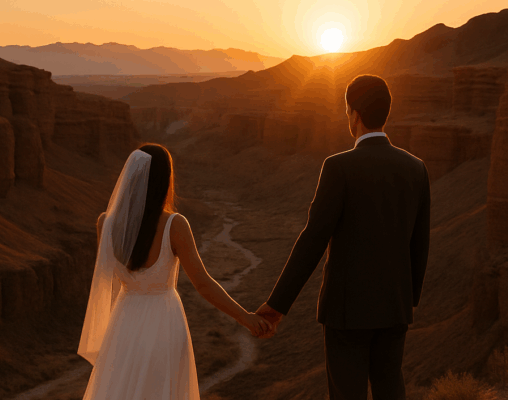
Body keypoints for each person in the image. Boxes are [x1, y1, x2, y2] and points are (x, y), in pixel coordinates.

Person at [255, 74, 431, 400]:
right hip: (395, 307)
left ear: (355, 114)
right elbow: (420, 245)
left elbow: (312, 241)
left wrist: (278, 305)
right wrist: (408, 301)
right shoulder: (416, 167)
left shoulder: (338, 167)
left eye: (347, 110)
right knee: (391, 389)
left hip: (346, 311)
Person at [77, 143, 272, 400]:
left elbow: (105, 283)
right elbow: (202, 283)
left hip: (123, 323)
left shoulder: (106, 223)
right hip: (163, 323)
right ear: (164, 180)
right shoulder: (174, 225)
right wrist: (245, 317)